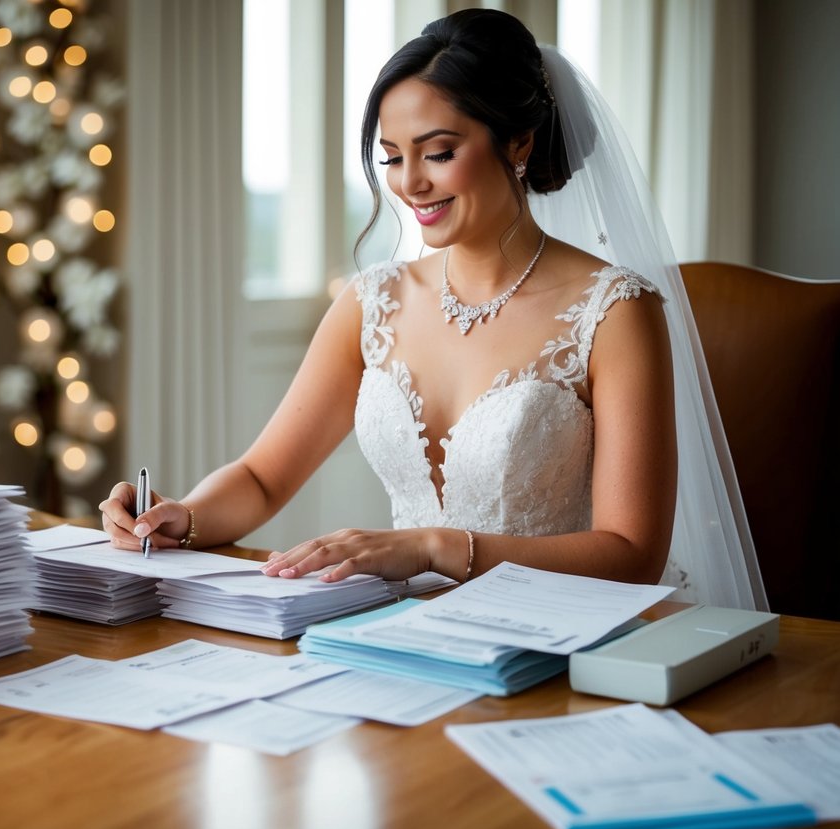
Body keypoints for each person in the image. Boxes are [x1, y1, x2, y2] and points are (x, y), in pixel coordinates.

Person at [100, 9, 766, 610]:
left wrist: (432, 547)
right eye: (392, 158)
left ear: (519, 143)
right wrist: (179, 518)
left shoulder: (614, 310)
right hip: (402, 633)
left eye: (439, 153)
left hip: (562, 638)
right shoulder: (372, 301)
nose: (410, 183)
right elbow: (261, 478)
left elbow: (631, 554)